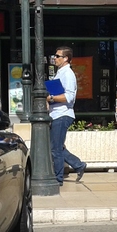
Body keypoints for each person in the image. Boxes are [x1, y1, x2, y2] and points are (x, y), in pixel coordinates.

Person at [48, 46, 86, 186]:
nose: (55, 58)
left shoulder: (68, 74)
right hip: (56, 114)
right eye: (55, 55)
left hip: (62, 115)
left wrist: (50, 98)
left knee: (55, 149)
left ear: (66, 59)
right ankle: (78, 165)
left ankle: (58, 179)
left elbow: (69, 97)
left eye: (58, 56)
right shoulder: (60, 73)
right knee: (56, 146)